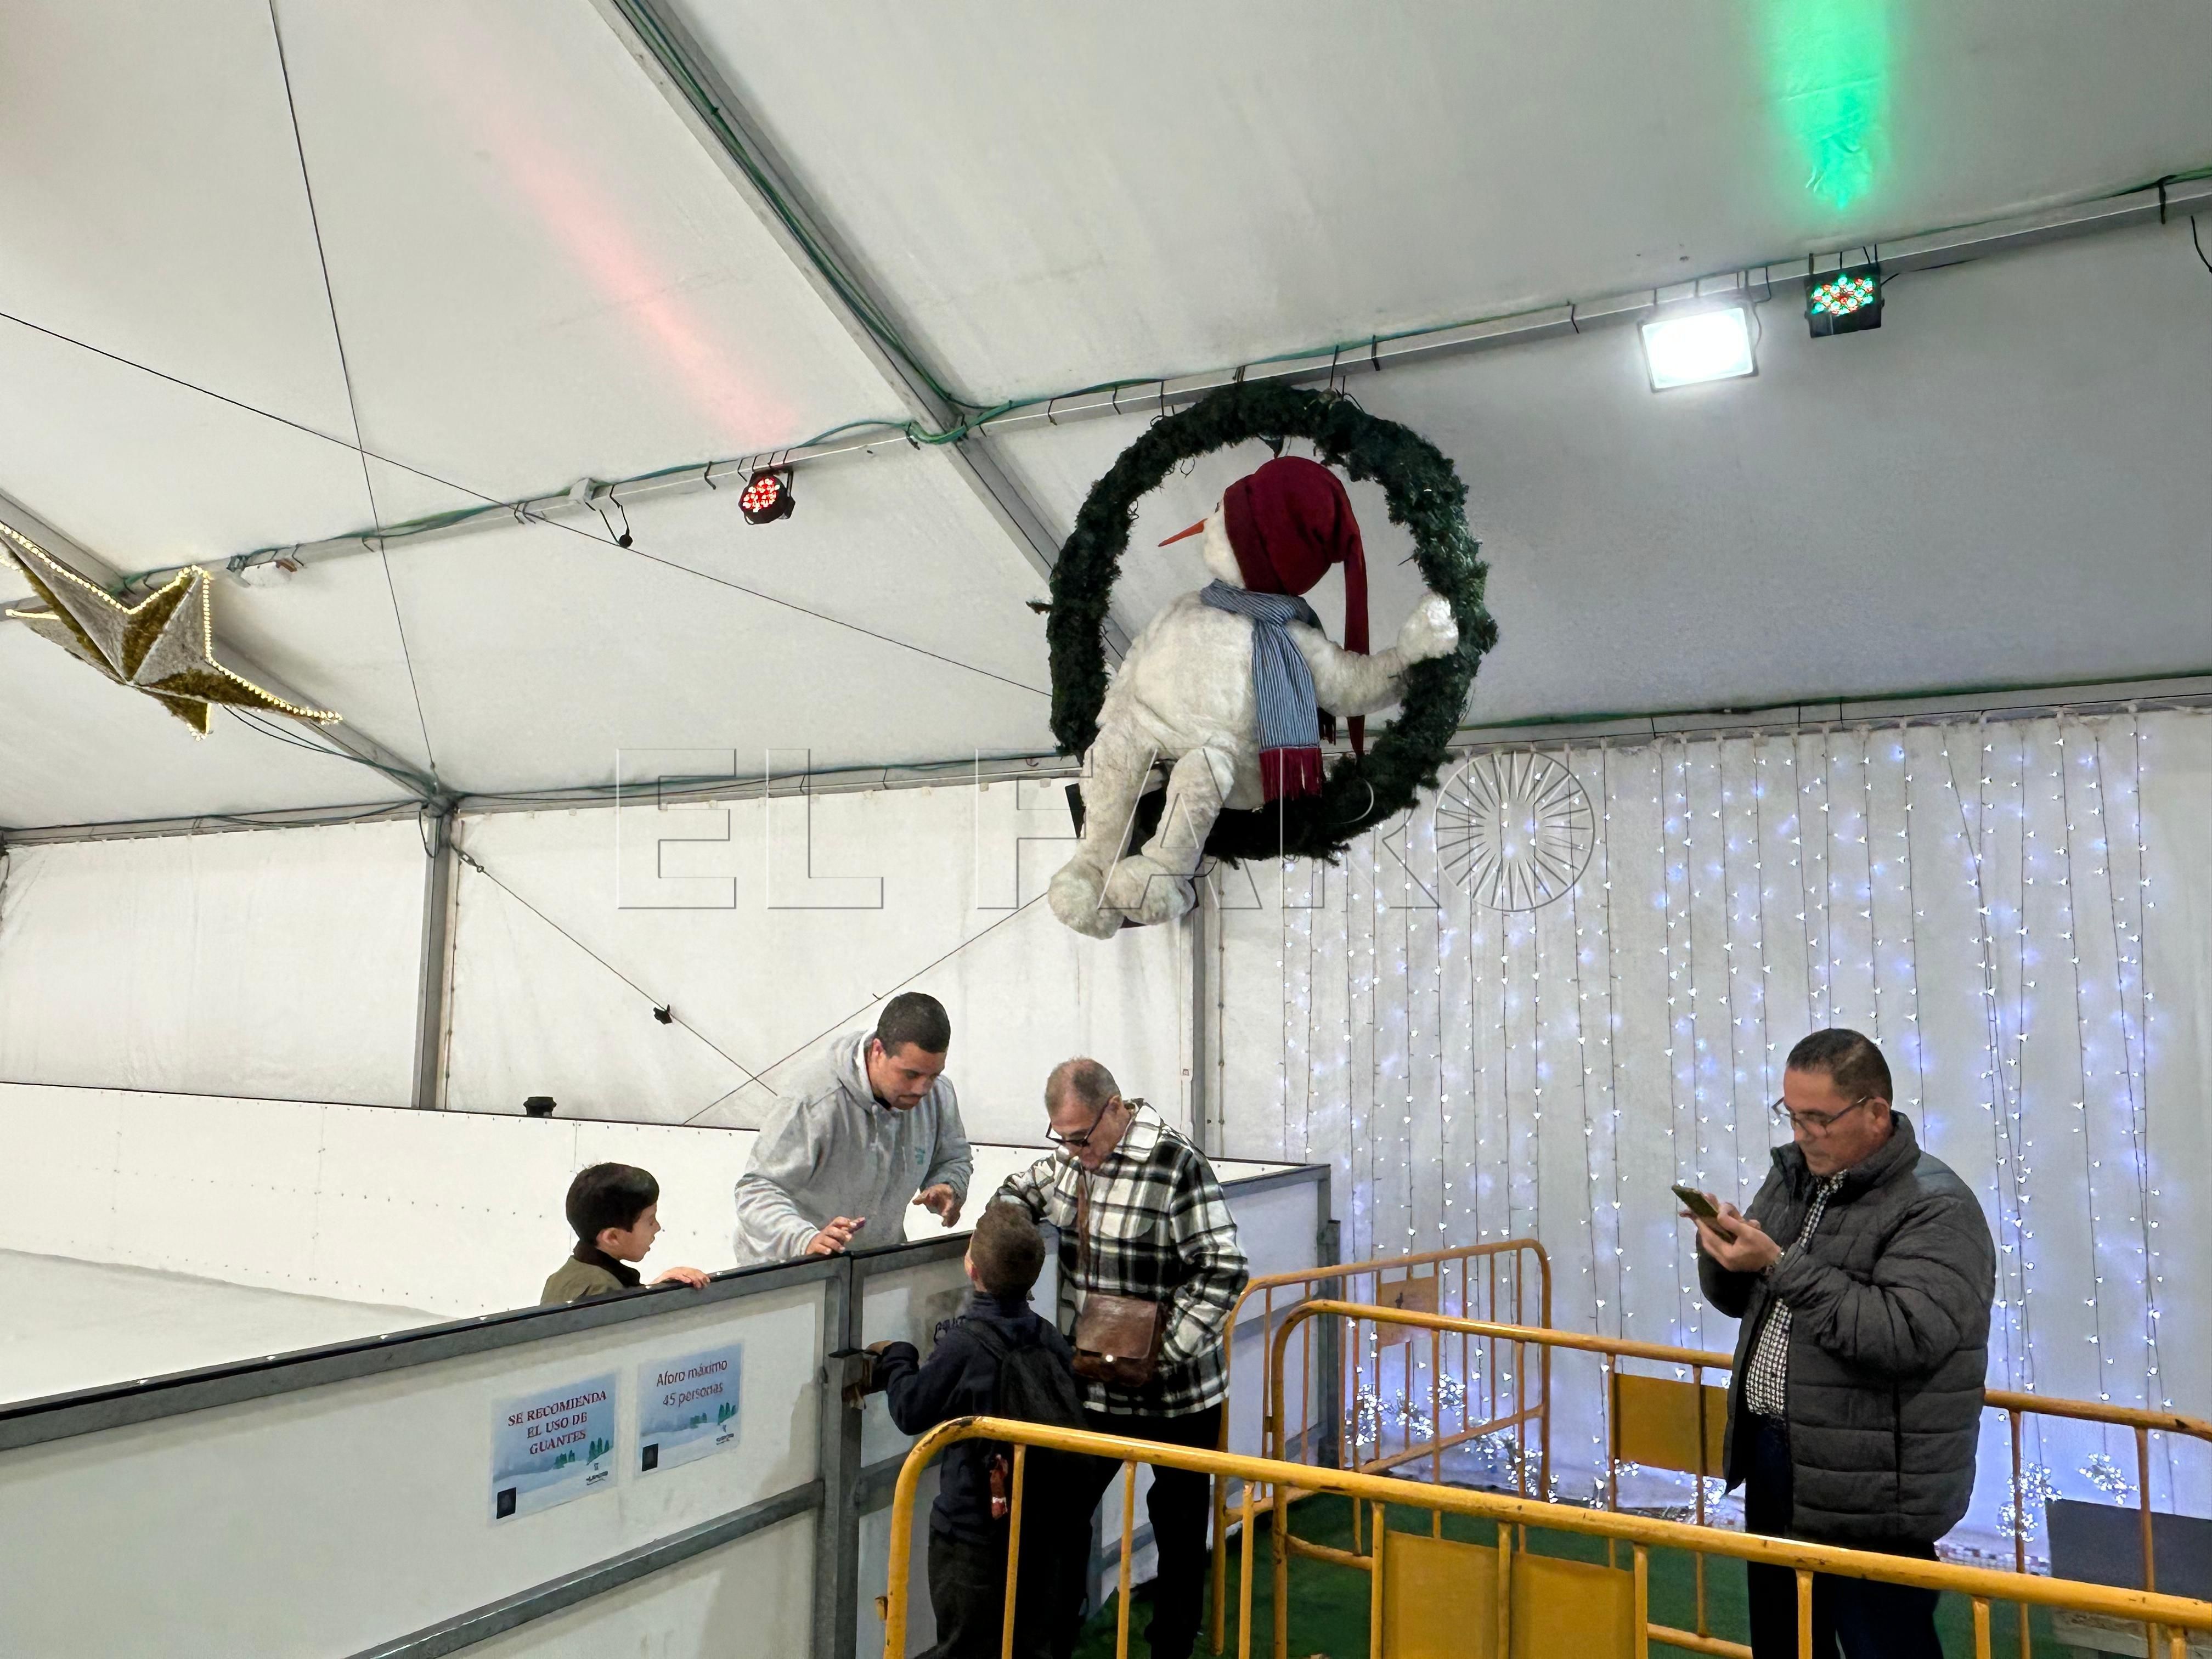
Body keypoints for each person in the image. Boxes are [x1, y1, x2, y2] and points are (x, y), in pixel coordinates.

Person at [1689, 1029, 1996, 1659]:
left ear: (1875, 1112)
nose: (1803, 1135)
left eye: (1819, 1120)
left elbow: (1903, 1335)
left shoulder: (1937, 1209)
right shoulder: (1793, 1180)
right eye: (1792, 1116)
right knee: (1784, 1640)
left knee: (1882, 1642)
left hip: (1874, 1483)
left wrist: (1777, 1263)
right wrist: (1723, 1254)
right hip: (1779, 1459)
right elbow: (1744, 1302)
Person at [997, 1058, 1250, 1659]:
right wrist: (999, 1240)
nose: (1074, 1150)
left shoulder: (1177, 1164)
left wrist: (1157, 1353)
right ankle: (1055, 1638)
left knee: (1182, 1529)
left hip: (1178, 1394)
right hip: (1091, 1388)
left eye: (1082, 1136)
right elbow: (1015, 1194)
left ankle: (1172, 1646)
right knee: (1060, 1518)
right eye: (1062, 1137)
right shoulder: (1067, 1158)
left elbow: (1223, 1270)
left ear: (1115, 1108)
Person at [873, 1202, 1082, 1659]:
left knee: (967, 1645)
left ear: (971, 1267)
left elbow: (911, 1410)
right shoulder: (1047, 1335)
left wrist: (898, 1358)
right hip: (1043, 1527)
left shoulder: (965, 1344)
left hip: (975, 1533)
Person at [733, 992, 973, 1265]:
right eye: (910, 1074)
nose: (922, 1089)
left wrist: (949, 1185)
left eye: (934, 1075)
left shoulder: (939, 1095)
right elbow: (756, 1190)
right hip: (789, 1274)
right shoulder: (814, 1100)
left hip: (870, 1270)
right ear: (878, 1051)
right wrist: (804, 1239)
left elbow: (954, 1157)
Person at [541, 1163, 710, 1304]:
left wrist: (653, 1289)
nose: (657, 1227)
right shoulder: (603, 1294)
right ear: (612, 1237)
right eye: (650, 1221)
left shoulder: (560, 1279)